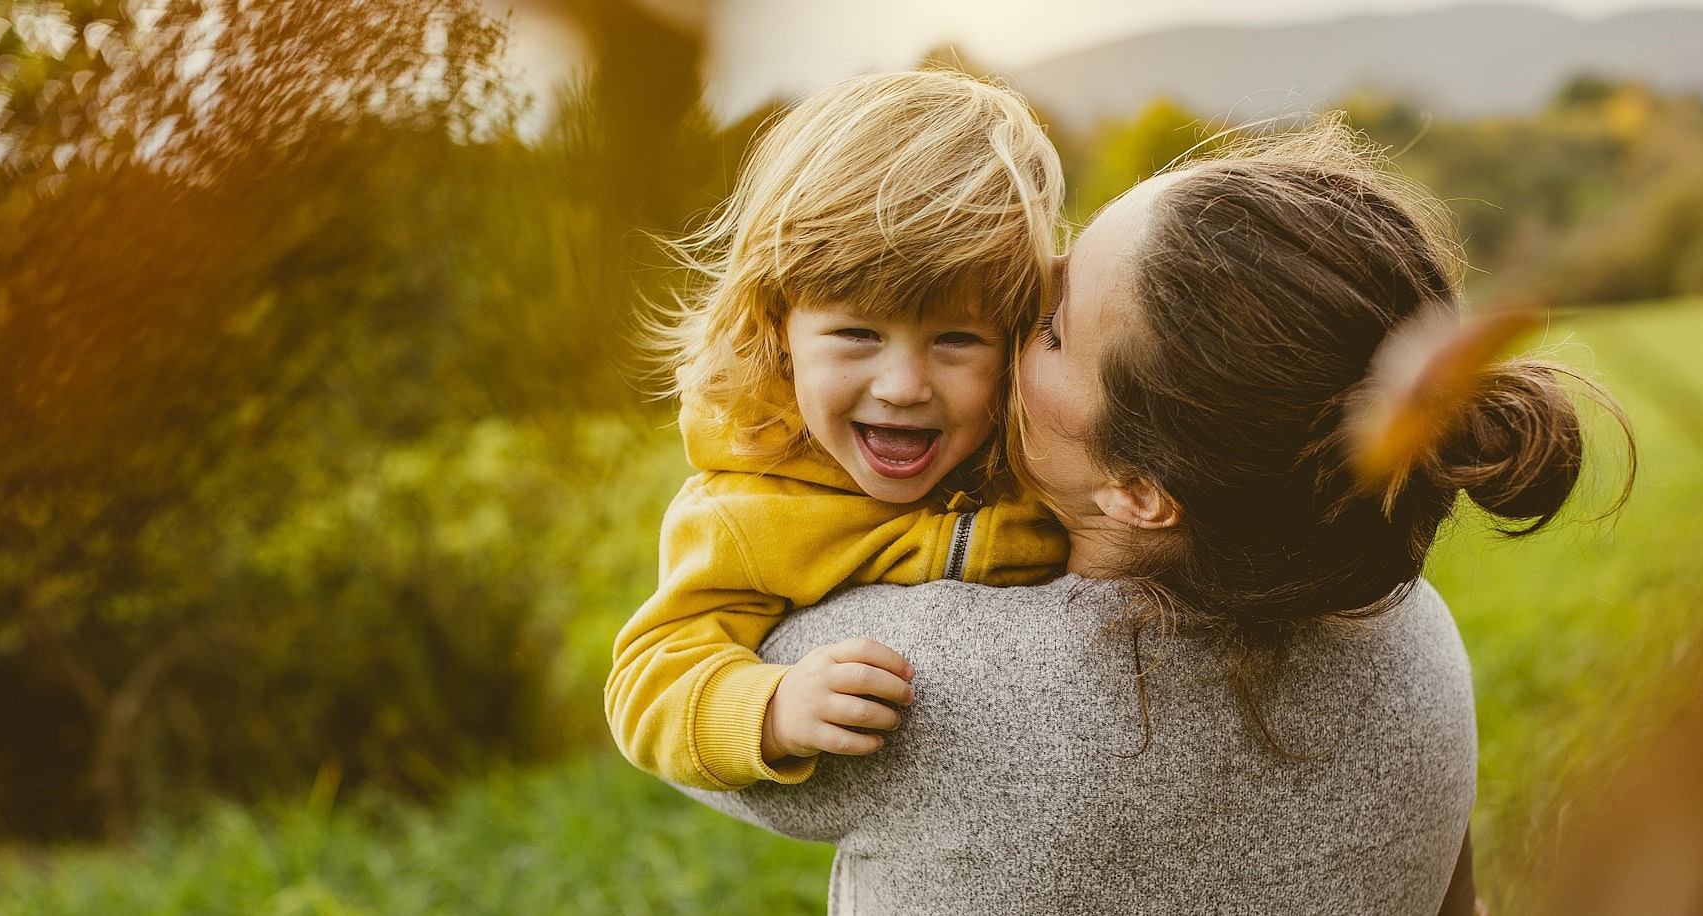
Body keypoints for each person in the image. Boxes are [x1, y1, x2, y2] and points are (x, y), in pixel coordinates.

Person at [680, 116, 1629, 914]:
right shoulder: (1413, 628)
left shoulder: (909, 677)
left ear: (1140, 488)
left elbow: (686, 725)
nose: (1017, 305)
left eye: (1049, 329)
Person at [605, 70, 1070, 793]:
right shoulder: (747, 510)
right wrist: (771, 709)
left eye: (956, 341)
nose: (904, 387)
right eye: (857, 334)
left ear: (1015, 340)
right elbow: (648, 678)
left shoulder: (1042, 448)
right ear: (778, 329)